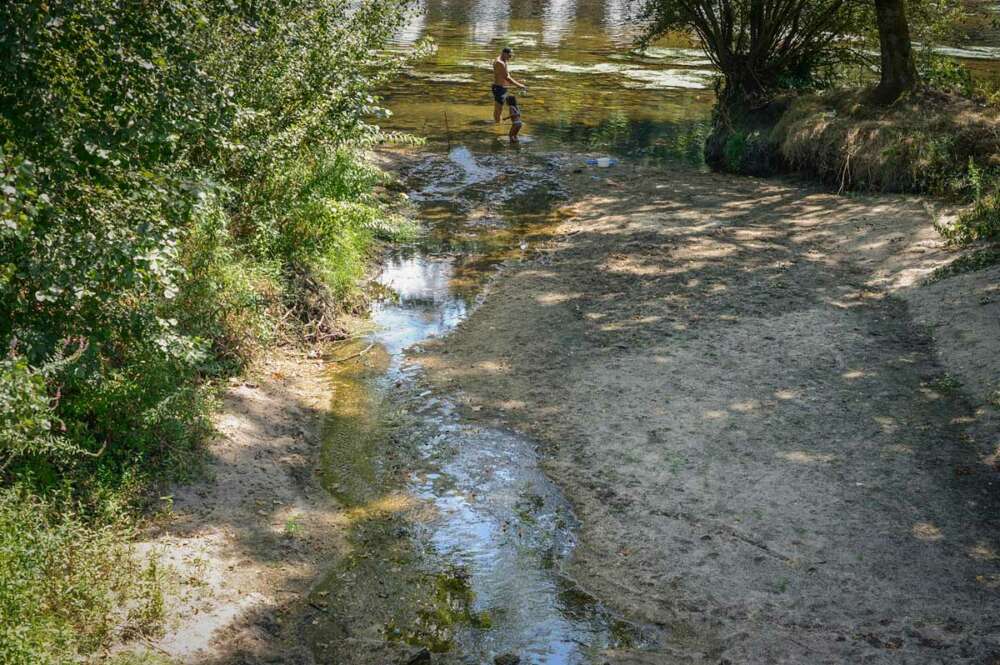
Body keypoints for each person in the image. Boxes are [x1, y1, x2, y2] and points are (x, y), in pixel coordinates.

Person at [492, 47, 526, 124]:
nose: (510, 57)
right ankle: (497, 125)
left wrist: (517, 81)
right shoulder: (499, 62)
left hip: (503, 86)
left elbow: (505, 75)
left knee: (500, 108)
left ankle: (498, 122)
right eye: (509, 55)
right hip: (498, 88)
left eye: (511, 56)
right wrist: (519, 85)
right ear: (504, 53)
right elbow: (506, 77)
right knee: (498, 108)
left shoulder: (503, 60)